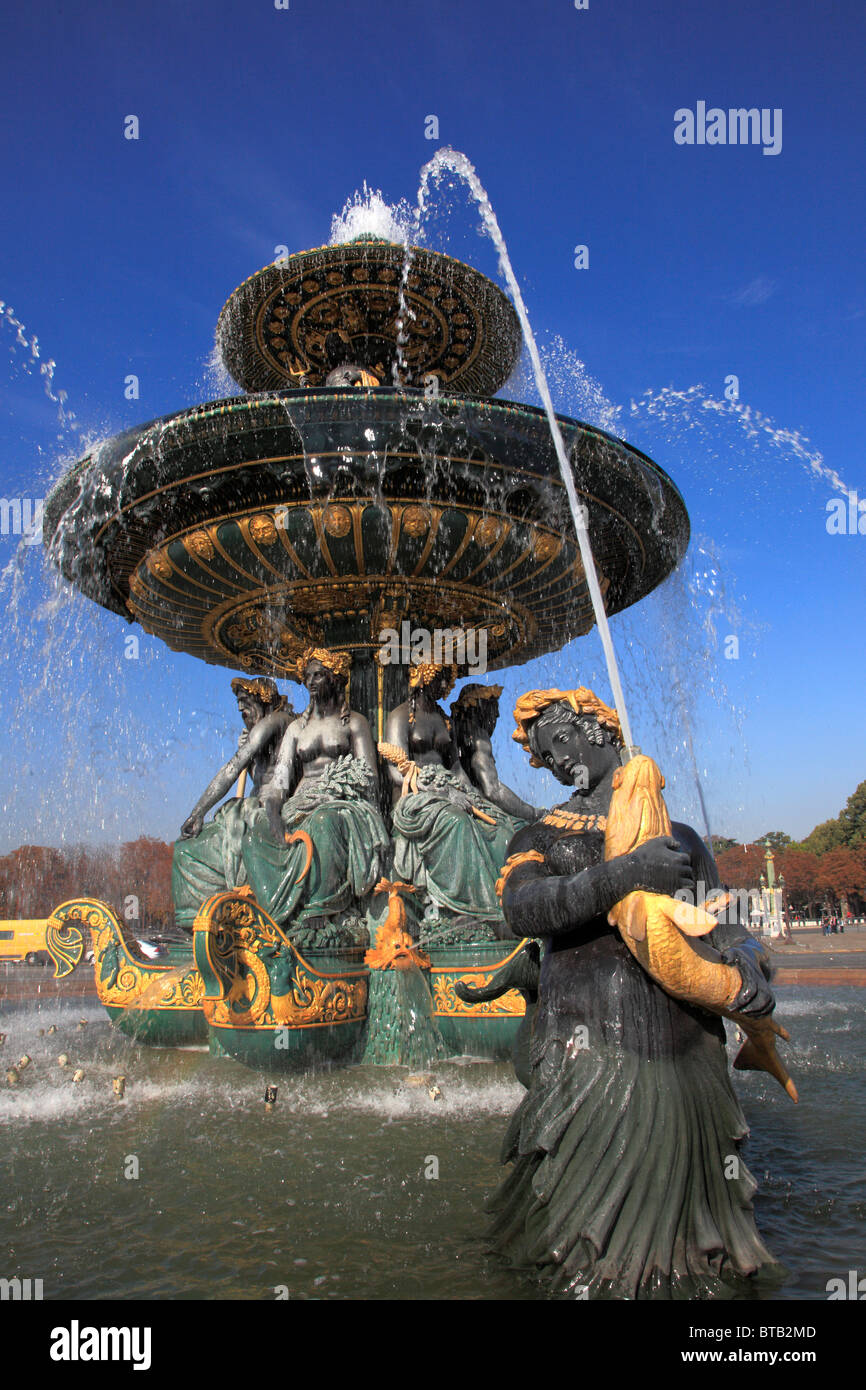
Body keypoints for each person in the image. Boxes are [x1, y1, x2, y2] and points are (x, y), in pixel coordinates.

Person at [487, 685, 784, 1300]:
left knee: (700, 1260)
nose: (556, 762)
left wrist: (750, 966)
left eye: (561, 742)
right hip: (589, 1050)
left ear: (597, 729)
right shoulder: (538, 835)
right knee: (578, 1255)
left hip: (683, 1053)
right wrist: (626, 873)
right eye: (544, 756)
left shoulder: (680, 837)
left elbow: (725, 925)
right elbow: (525, 908)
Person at [240, 648, 390, 949]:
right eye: (307, 676)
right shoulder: (297, 728)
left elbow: (370, 777)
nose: (310, 682)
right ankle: (274, 913)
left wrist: (333, 790)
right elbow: (279, 783)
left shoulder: (354, 723)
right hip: (302, 801)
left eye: (317, 675)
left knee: (323, 822)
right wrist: (272, 814)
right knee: (255, 830)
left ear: (334, 678)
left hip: (344, 801)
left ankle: (323, 909)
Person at [380, 662, 529, 943]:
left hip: (450, 789)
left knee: (499, 827)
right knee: (457, 822)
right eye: (439, 677)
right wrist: (441, 792)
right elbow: (394, 772)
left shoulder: (442, 718)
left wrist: (473, 795)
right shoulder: (400, 716)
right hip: (414, 796)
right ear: (422, 677)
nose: (444, 685)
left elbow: (456, 767)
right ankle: (465, 910)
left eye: (447, 679)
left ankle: (507, 904)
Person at [171, 677, 293, 932]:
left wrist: (197, 812)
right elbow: (253, 775)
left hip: (273, 807)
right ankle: (208, 919)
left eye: (246, 704)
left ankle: (228, 915)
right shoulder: (259, 729)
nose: (242, 711)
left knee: (208, 847)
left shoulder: (277, 722)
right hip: (253, 804)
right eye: (240, 708)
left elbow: (231, 770)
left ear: (263, 700)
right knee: (187, 849)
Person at [450, 683, 541, 821]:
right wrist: (535, 814)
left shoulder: (453, 728)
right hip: (469, 806)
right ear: (481, 709)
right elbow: (493, 790)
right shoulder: (477, 735)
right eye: (494, 709)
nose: (497, 716)